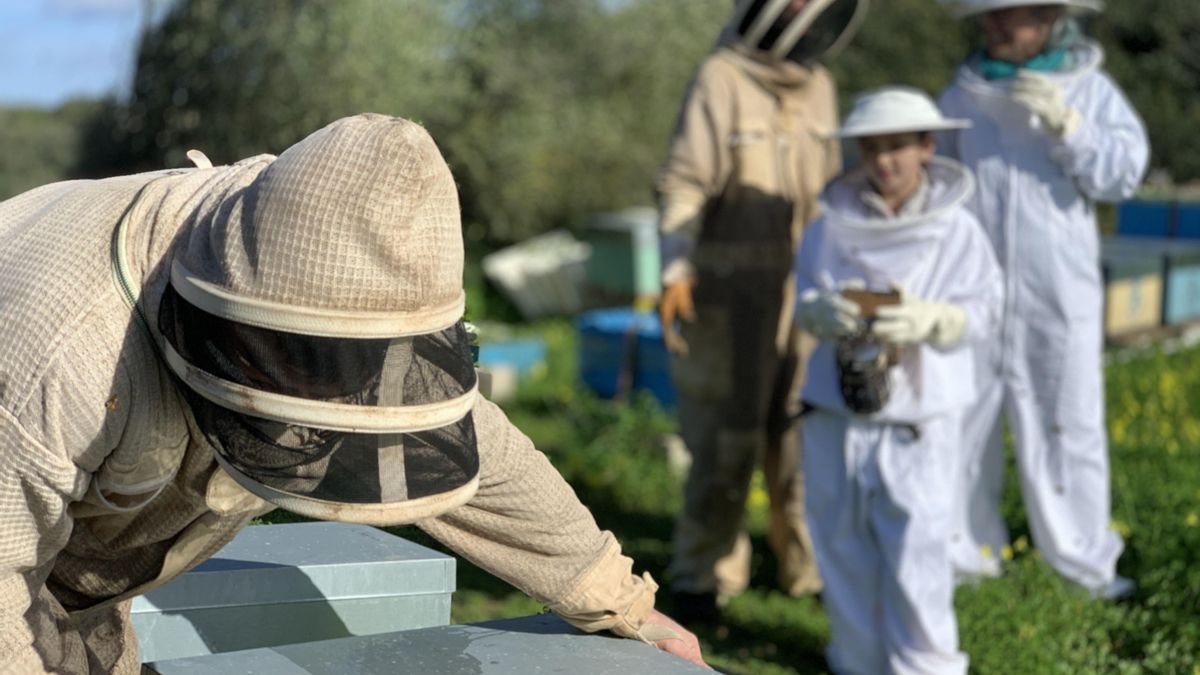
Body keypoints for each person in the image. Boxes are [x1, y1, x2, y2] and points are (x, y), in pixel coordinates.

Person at [0, 114, 707, 673]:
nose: (336, 391)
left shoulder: (341, 287)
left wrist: (623, 603)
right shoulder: (61, 352)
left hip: (83, 576)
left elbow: (480, 456)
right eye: (307, 367)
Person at [655, 0, 868, 623]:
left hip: (804, 294)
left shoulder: (820, 85)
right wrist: (675, 265)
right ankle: (703, 574)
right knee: (725, 441)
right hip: (727, 295)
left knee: (804, 432)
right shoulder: (720, 77)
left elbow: (831, 192)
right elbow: (684, 180)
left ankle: (805, 565)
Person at [936, 0, 1149, 597]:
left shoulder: (1092, 90)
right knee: (966, 421)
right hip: (974, 290)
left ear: (1051, 16)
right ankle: (968, 555)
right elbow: (941, 187)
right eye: (991, 13)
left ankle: (1084, 568)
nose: (995, 23)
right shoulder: (960, 97)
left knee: (1068, 423)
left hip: (1058, 292)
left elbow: (1123, 173)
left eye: (1013, 13)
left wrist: (1070, 127)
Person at [793, 87, 1002, 675]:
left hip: (918, 414)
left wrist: (936, 319)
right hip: (835, 409)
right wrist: (817, 312)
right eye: (873, 149)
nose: (884, 162)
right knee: (840, 546)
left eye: (897, 148)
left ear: (927, 147)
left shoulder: (959, 231)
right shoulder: (829, 226)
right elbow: (805, 292)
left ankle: (927, 667)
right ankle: (856, 663)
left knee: (919, 553)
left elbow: (985, 311)